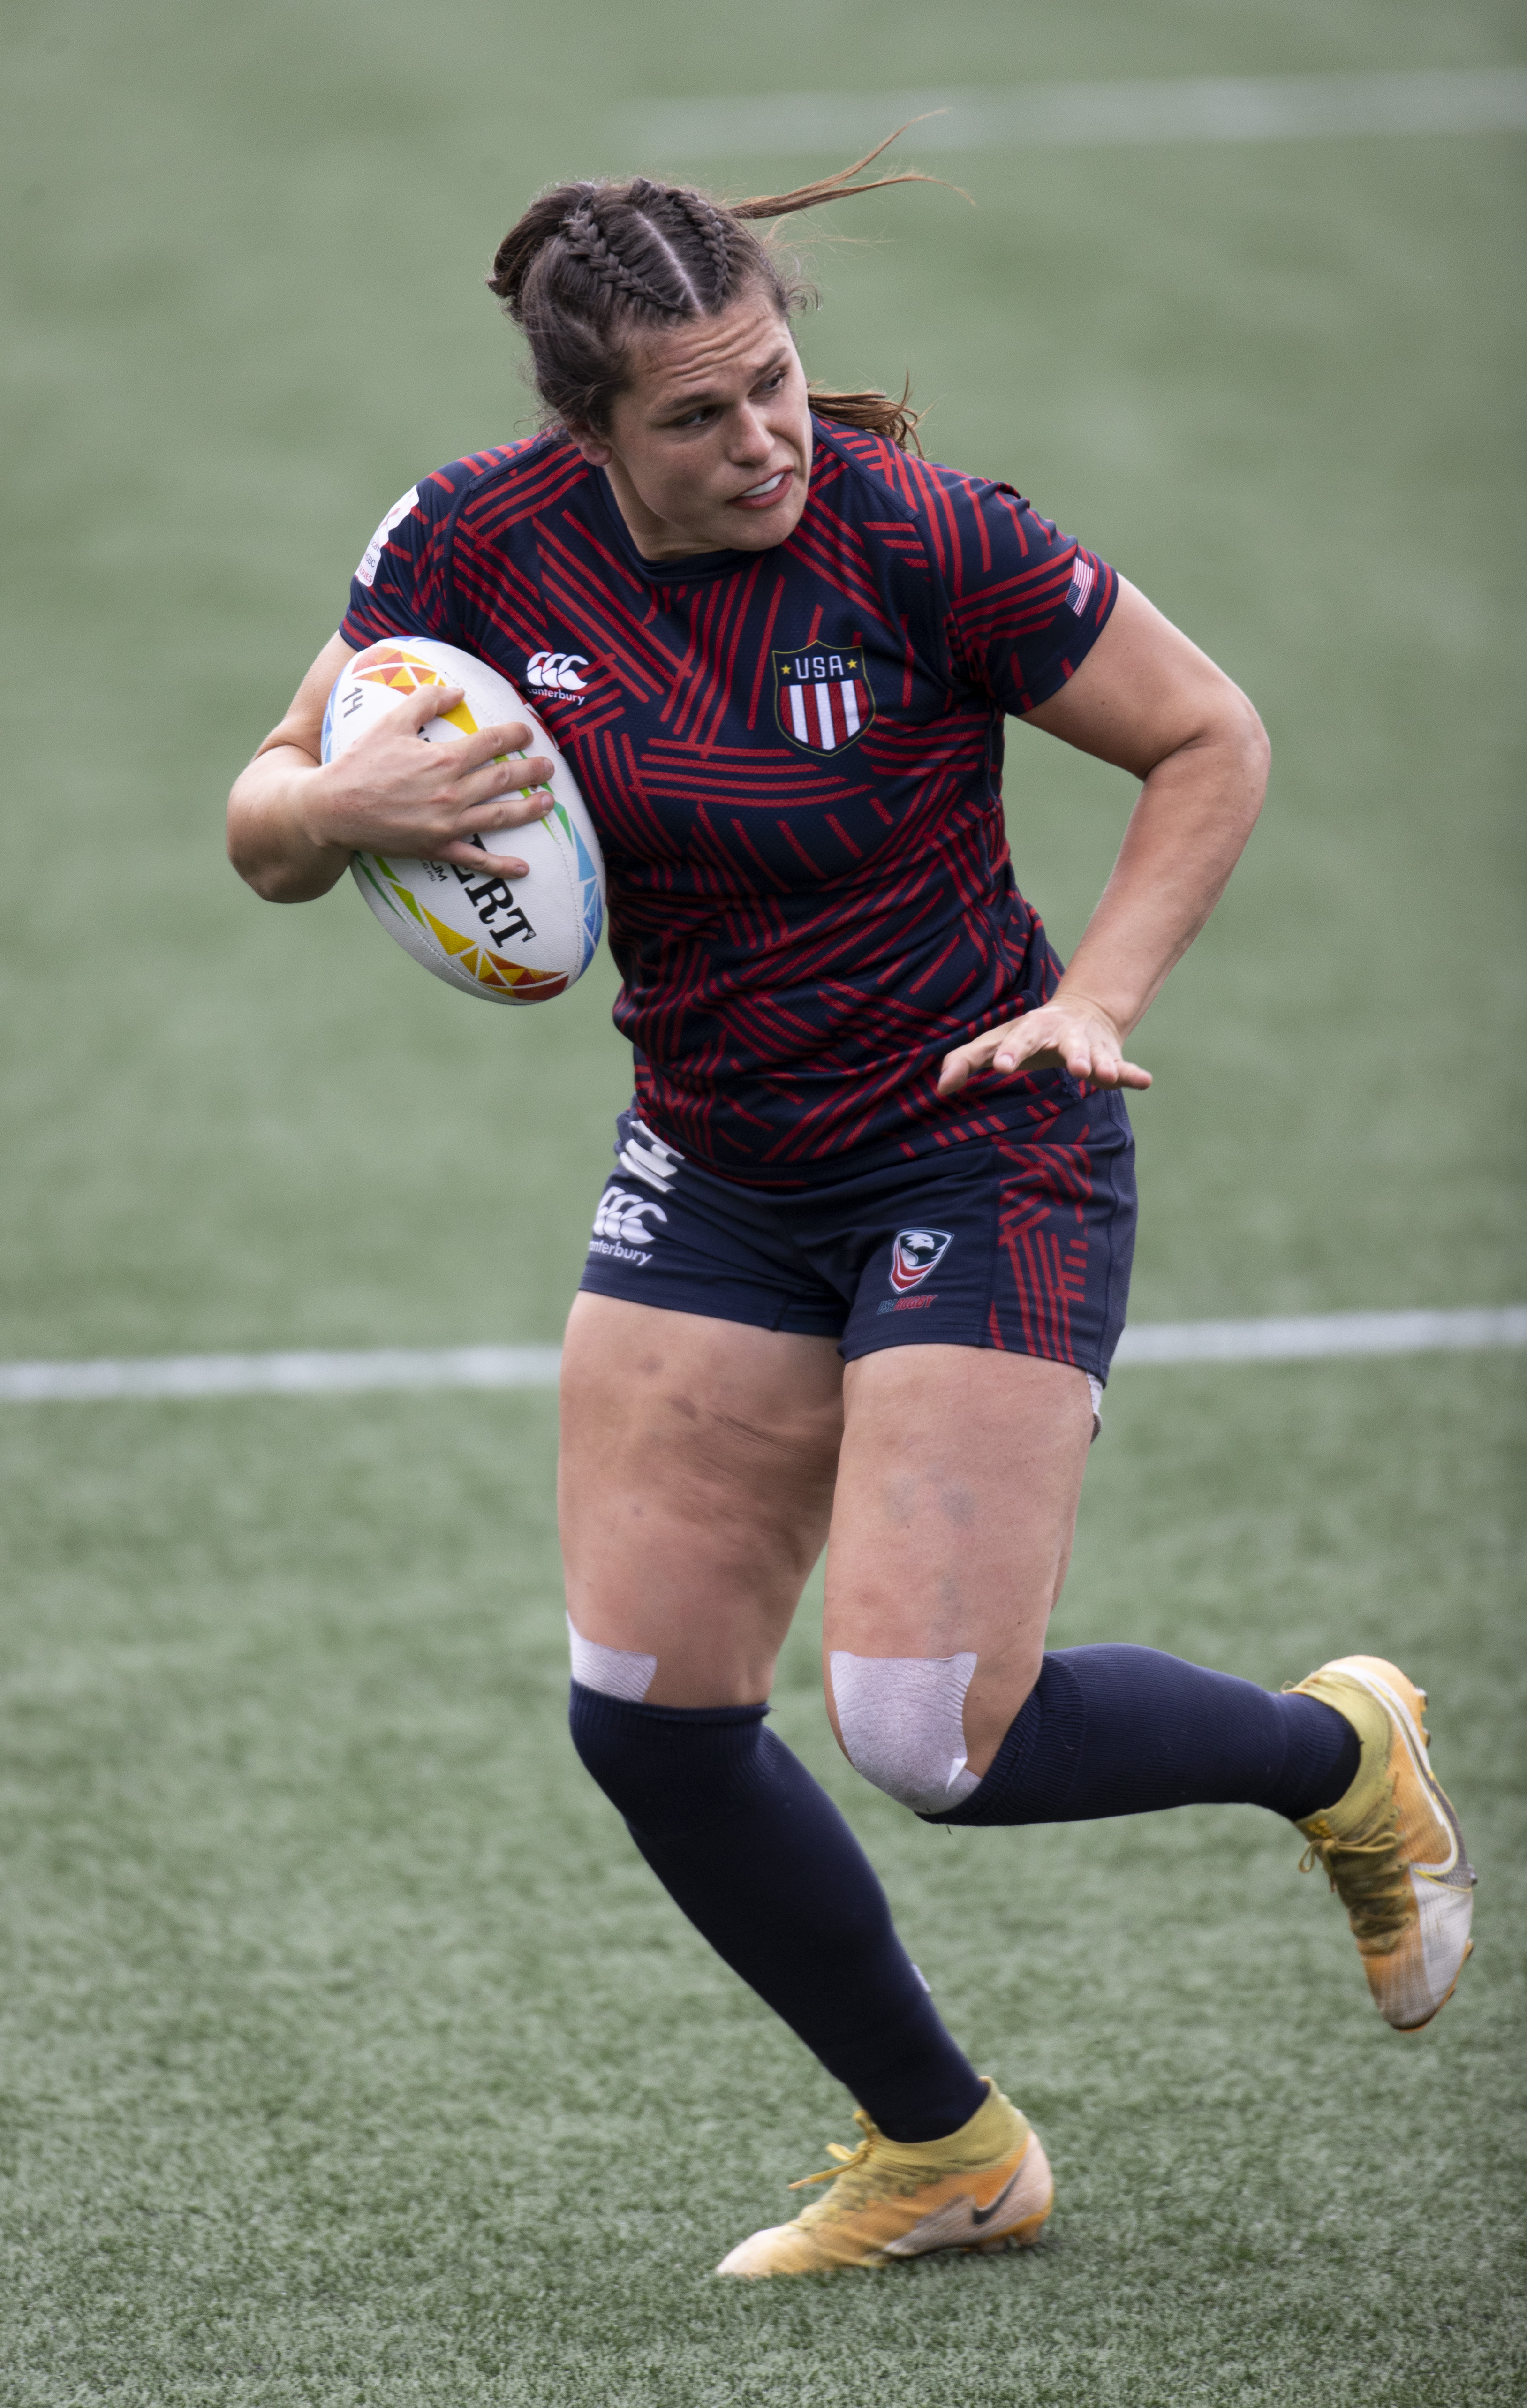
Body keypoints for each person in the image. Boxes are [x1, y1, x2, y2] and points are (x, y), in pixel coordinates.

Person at [227, 145, 1476, 2277]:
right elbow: (260, 819)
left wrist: (1092, 1000)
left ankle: (1336, 1751)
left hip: (975, 1137)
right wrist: (342, 806)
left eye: (775, 380)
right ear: (590, 434)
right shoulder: (469, 543)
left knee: (927, 1737)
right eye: (698, 416)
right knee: (644, 1713)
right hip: (716, 1159)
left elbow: (1206, 735)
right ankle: (946, 2152)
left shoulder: (925, 539)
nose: (766, 438)